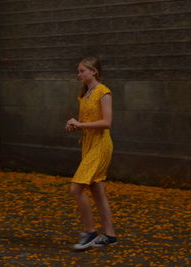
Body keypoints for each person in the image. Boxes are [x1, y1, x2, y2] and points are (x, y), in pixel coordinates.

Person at [65, 56, 117, 250]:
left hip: (101, 145)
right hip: (88, 145)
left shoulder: (104, 92)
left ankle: (89, 232)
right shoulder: (84, 94)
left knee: (76, 188)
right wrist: (74, 125)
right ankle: (110, 236)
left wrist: (81, 124)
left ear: (93, 71)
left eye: (81, 71)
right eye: (78, 71)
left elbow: (107, 123)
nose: (78, 74)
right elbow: (84, 123)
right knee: (97, 191)